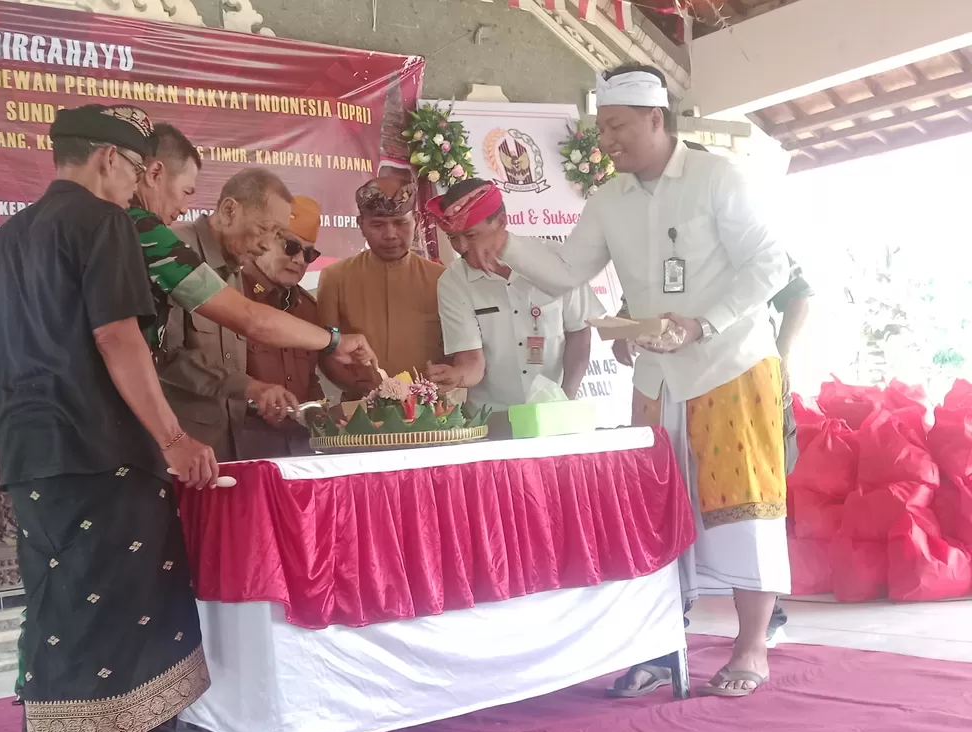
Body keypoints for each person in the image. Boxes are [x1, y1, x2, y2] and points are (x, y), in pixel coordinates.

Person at [461, 65, 792, 698]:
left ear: (655, 119)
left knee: (745, 504)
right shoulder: (608, 200)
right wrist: (506, 243)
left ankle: (751, 646)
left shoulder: (718, 178)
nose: (607, 140)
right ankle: (663, 644)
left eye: (617, 127)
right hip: (657, 376)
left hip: (731, 364)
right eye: (601, 128)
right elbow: (566, 271)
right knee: (656, 507)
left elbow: (769, 264)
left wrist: (704, 323)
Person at [0, 104, 219, 732]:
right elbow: (118, 337)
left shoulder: (9, 236)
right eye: (137, 171)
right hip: (102, 456)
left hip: (30, 456)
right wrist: (174, 438)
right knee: (118, 642)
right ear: (108, 158)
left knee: (60, 621)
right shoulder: (104, 220)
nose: (136, 187)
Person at [614, 253, 813, 644]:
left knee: (746, 506)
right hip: (662, 391)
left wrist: (784, 354)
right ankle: (669, 629)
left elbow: (797, 295)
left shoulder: (740, 227)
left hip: (736, 383)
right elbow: (630, 312)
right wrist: (624, 334)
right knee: (664, 505)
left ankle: (760, 627)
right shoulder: (642, 234)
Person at [149, 167, 366, 462]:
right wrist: (252, 387)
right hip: (184, 448)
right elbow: (166, 359)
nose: (265, 244)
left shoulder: (233, 266)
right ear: (229, 210)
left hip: (233, 449)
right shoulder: (175, 252)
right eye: (268, 231)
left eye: (276, 234)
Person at [423, 179, 602, 410]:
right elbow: (472, 362)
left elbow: (579, 333)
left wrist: (565, 400)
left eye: (471, 235)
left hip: (553, 410)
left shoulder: (558, 260)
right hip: (491, 414)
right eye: (453, 238)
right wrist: (456, 376)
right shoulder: (453, 282)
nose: (462, 247)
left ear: (501, 222)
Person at [317, 176, 446, 399]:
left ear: (416, 221)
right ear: (361, 225)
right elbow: (327, 348)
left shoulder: (441, 279)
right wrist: (363, 390)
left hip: (430, 409)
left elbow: (456, 350)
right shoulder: (335, 278)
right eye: (377, 225)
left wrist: (427, 393)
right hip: (360, 408)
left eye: (400, 223)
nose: (390, 235)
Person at [237, 195, 327, 459]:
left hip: (301, 448)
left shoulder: (307, 308)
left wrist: (324, 415)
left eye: (309, 254)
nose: (300, 260)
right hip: (242, 446)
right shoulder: (231, 296)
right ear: (264, 241)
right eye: (291, 247)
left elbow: (309, 378)